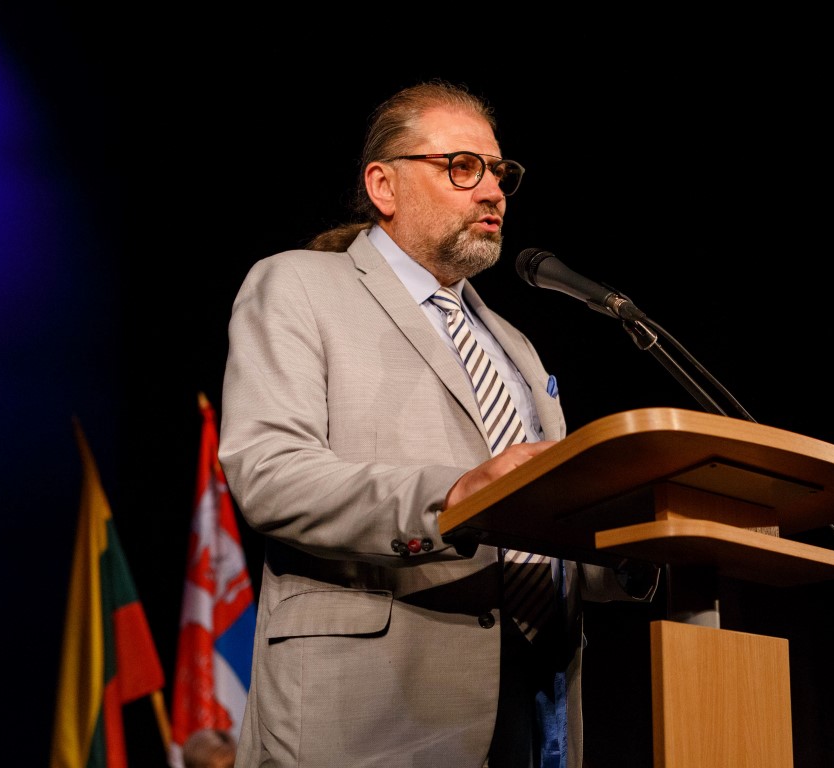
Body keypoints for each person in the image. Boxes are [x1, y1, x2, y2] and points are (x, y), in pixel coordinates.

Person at [218, 79, 657, 768]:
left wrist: (631, 544)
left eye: (500, 172)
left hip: (537, 704)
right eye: (463, 167)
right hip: (373, 707)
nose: (493, 192)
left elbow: (545, 537)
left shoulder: (514, 344)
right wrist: (452, 497)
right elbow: (270, 475)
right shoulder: (298, 285)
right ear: (383, 185)